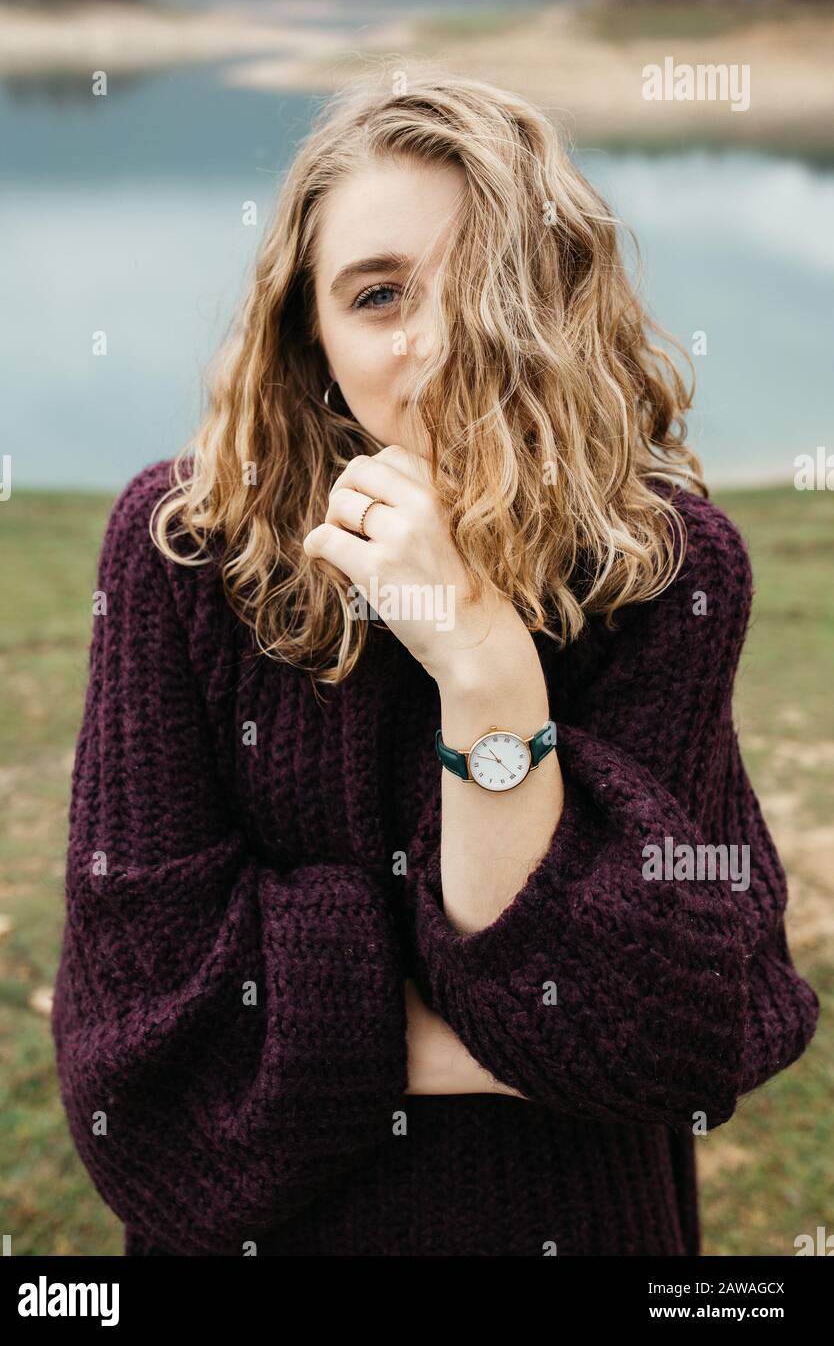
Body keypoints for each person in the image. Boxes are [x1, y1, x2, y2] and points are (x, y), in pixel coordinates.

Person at [51, 69, 819, 1257]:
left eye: (490, 279)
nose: (440, 341)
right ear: (308, 329)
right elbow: (141, 1053)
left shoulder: (658, 569)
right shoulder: (184, 549)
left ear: (562, 292)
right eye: (376, 294)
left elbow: (672, 1030)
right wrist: (511, 1022)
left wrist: (476, 657)